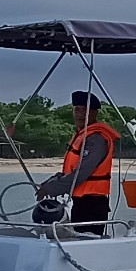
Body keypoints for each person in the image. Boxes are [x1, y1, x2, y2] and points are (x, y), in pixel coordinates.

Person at [37, 91, 119, 230]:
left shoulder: (96, 139)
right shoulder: (82, 135)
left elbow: (81, 173)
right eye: (77, 110)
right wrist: (51, 181)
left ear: (94, 113)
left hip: (93, 204)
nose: (80, 114)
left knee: (88, 243)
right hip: (80, 202)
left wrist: (52, 189)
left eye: (85, 110)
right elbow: (72, 170)